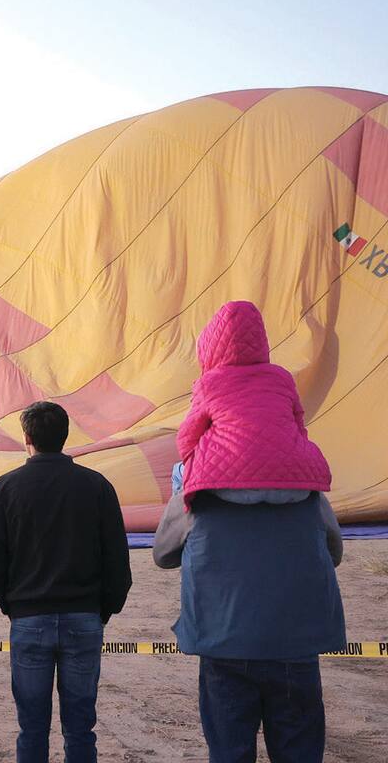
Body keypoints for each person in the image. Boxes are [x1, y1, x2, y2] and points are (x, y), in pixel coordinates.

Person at [154, 300, 345, 762]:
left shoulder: (194, 479)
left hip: (223, 640)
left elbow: (163, 553)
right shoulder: (304, 481)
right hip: (296, 644)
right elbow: (334, 551)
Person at [0, 400, 132, 763]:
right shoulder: (97, 486)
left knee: (31, 728)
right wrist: (103, 610)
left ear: (26, 438)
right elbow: (116, 559)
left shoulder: (4, 489)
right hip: (83, 617)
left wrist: (9, 604)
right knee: (80, 728)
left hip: (29, 619)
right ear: (65, 437)